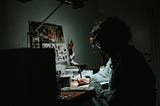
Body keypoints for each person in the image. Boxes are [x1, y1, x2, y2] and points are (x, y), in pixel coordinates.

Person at [77, 16, 156, 106]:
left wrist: (96, 88)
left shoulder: (129, 60)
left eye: (102, 45)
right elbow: (105, 74)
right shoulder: (116, 57)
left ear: (113, 41)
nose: (102, 51)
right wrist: (90, 79)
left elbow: (115, 99)